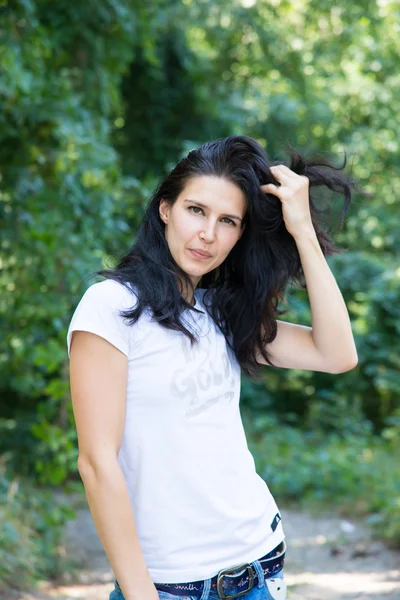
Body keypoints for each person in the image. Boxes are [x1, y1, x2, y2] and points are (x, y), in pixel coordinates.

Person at [67, 135, 360, 600]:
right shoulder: (110, 308)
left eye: (228, 221)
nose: (208, 234)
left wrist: (303, 230)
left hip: (259, 566)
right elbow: (97, 465)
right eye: (196, 210)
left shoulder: (219, 313)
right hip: (170, 587)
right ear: (166, 208)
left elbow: (337, 354)